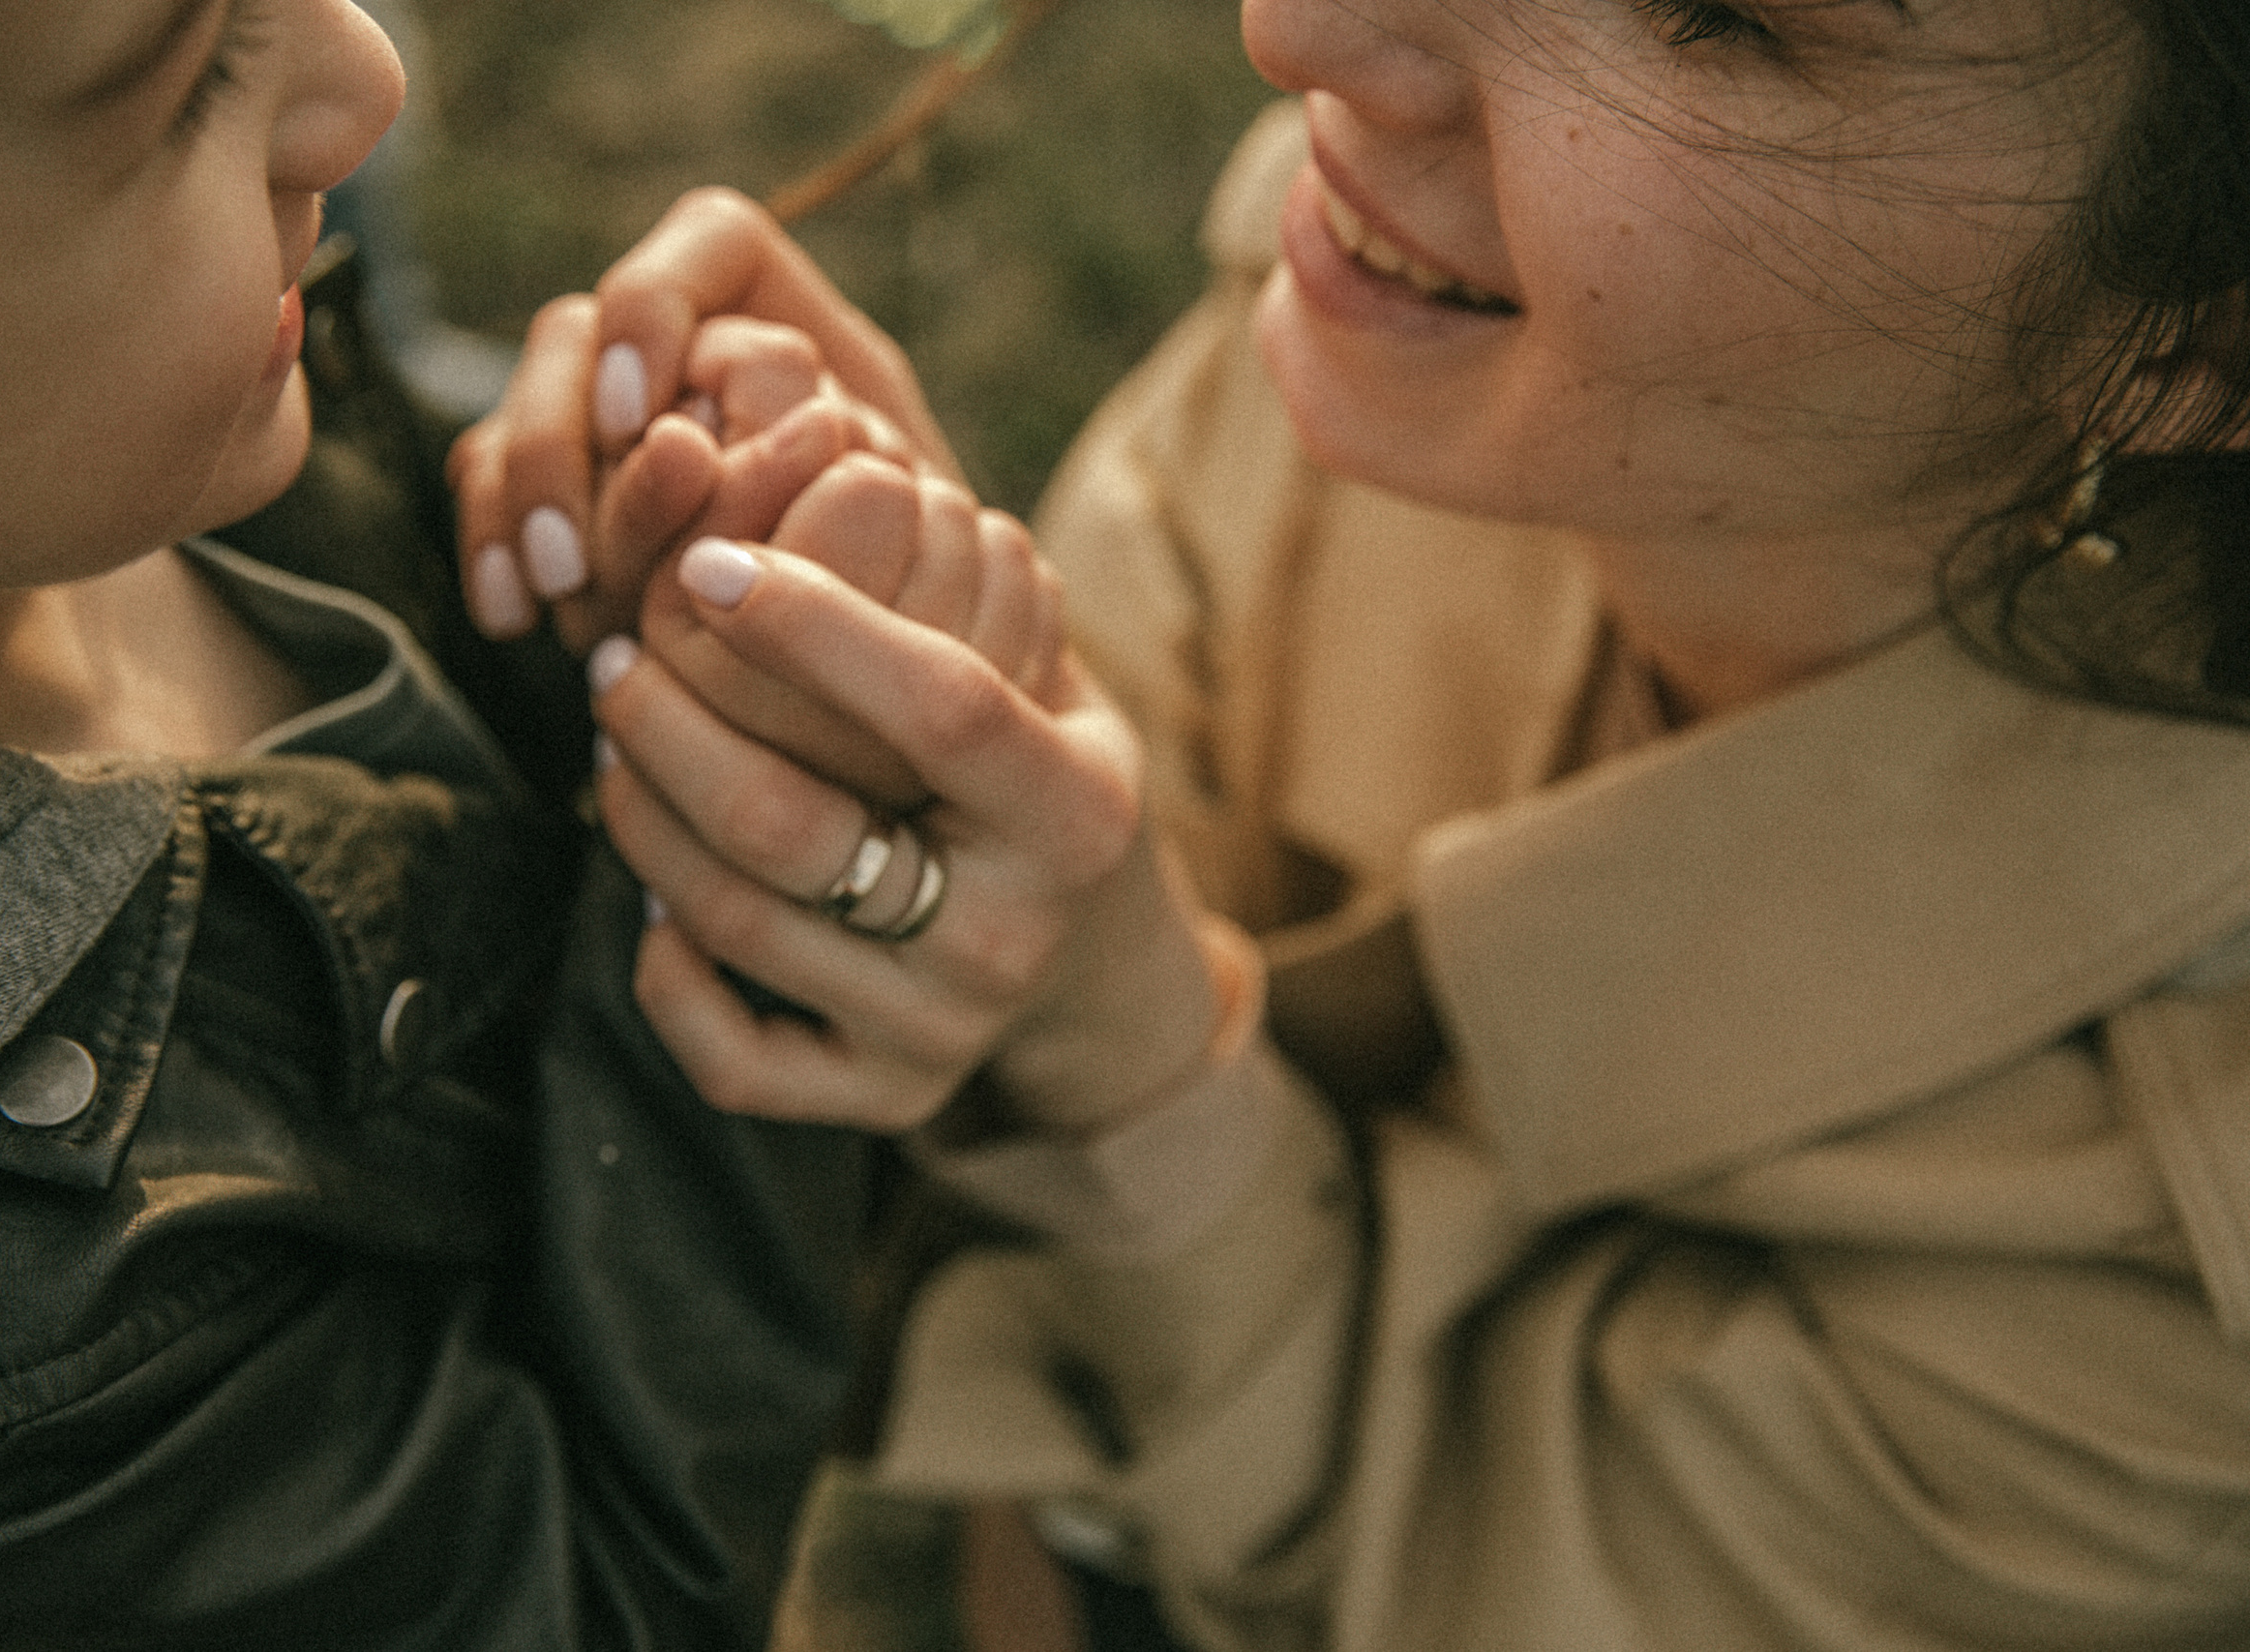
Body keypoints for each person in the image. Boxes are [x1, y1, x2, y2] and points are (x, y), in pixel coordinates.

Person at [456, 0, 2250, 1646]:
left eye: (1721, 14)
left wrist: (1127, 1041)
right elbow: (1161, 627)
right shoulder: (1461, 303)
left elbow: (1446, 1575)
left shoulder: (2190, 1250)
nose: (1297, 29)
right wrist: (876, 649)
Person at [0, 3, 1060, 1645]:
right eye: (172, 99)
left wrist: (593, 609)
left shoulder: (18, 464)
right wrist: (744, 867)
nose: (368, 75)